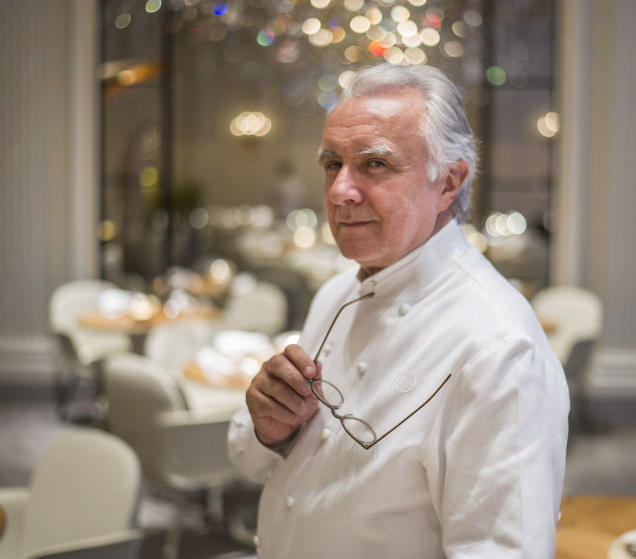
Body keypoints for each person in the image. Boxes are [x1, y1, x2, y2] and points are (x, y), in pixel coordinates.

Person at [227, 63, 569, 558]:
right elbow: (262, 464)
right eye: (332, 164)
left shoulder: (498, 348)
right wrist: (271, 428)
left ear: (448, 183)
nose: (340, 190)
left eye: (375, 164)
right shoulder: (336, 293)